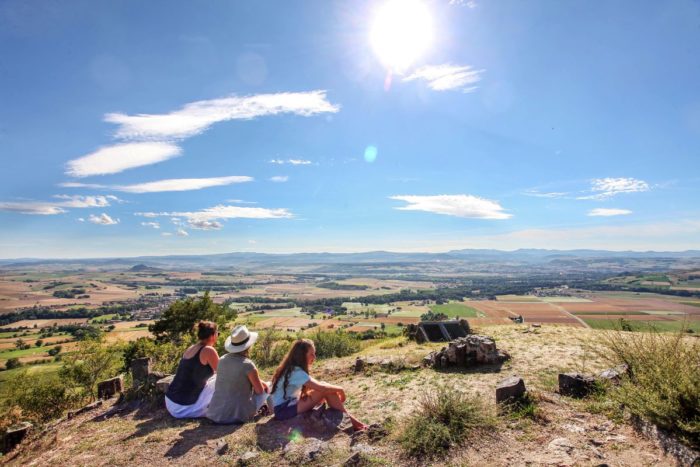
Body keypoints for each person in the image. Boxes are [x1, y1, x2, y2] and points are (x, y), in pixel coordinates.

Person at [269, 338, 368, 431]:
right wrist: (340, 389)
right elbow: (322, 388)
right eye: (312, 354)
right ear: (302, 355)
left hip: (289, 404)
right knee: (325, 390)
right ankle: (354, 423)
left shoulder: (293, 368)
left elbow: (320, 385)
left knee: (326, 389)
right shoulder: (296, 372)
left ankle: (353, 422)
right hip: (283, 410)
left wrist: (332, 390)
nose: (315, 357)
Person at [207, 325, 271, 424]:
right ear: (248, 346)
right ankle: (271, 412)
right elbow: (259, 391)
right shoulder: (248, 365)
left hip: (216, 414)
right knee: (269, 385)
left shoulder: (222, 360)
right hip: (239, 415)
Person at [165, 321, 219, 418]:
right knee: (221, 381)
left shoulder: (192, 348)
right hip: (183, 407)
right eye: (217, 333)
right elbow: (224, 373)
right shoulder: (208, 350)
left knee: (214, 379)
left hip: (170, 402)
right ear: (212, 336)